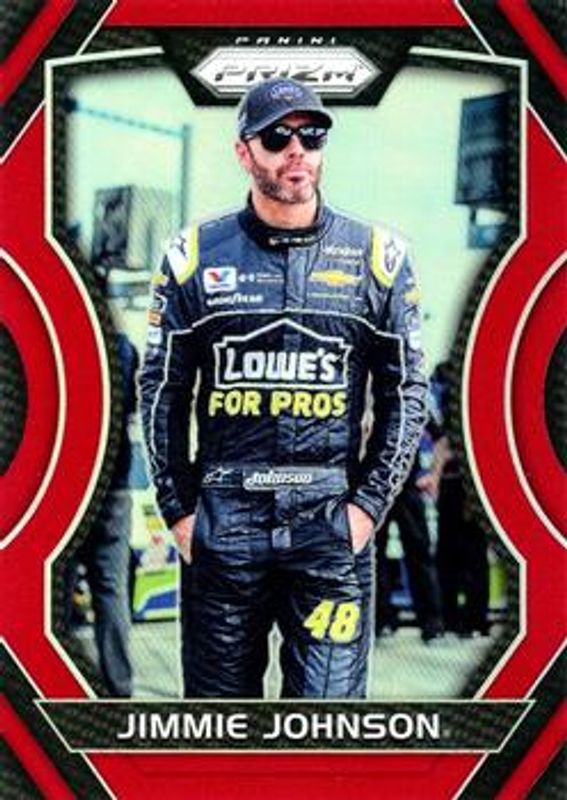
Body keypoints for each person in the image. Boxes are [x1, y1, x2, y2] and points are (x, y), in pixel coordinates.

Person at [140, 78, 428, 698]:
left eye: (312, 134)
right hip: (224, 521)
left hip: (330, 526)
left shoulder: (378, 257)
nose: (297, 149)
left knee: (327, 729)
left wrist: (367, 508)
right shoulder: (192, 255)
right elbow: (161, 388)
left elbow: (407, 391)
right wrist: (180, 511)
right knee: (219, 729)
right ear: (244, 152)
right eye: (277, 136)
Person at [65, 328, 138, 696]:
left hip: (66, 489)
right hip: (113, 487)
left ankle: (58, 681)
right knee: (111, 590)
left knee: (57, 593)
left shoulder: (59, 343)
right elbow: (132, 409)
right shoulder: (123, 348)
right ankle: (119, 688)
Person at [430, 362, 490, 637]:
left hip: (470, 483)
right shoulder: (445, 384)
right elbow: (441, 439)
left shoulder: (477, 399)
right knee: (451, 553)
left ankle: (473, 618)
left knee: (471, 553)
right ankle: (455, 617)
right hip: (455, 482)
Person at [375, 431, 444, 644]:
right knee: (372, 557)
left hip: (407, 487)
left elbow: (441, 437)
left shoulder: (414, 408)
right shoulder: (365, 406)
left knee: (420, 554)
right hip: (375, 488)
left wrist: (434, 475)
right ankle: (379, 622)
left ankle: (432, 625)